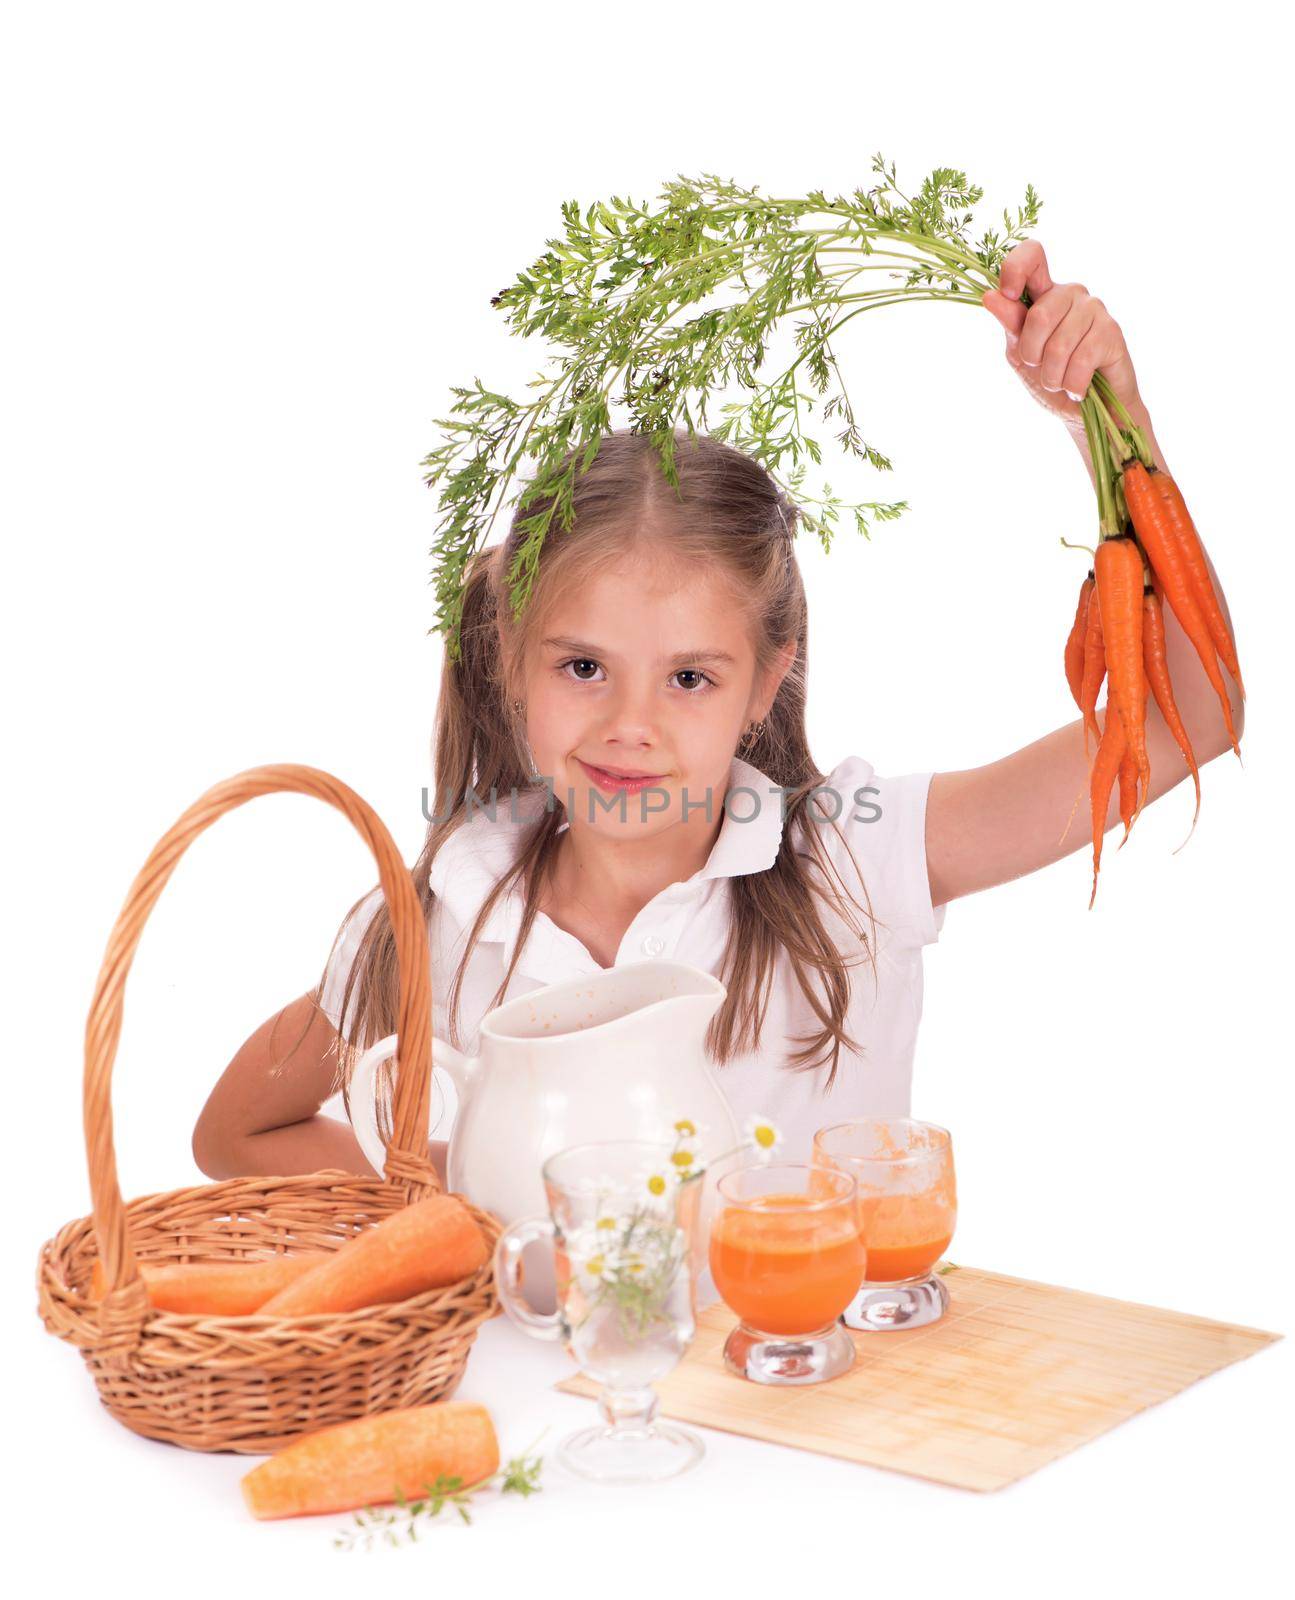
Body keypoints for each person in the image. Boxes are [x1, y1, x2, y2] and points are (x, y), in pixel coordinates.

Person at [193, 240, 1244, 1186]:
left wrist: (1110, 428)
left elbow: (1191, 719)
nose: (629, 726)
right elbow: (241, 1132)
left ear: (762, 684)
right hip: (566, 1405)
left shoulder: (853, 861)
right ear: (509, 661)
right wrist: (448, 1192)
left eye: (688, 678)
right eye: (582, 667)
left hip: (817, 1396)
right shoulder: (437, 917)